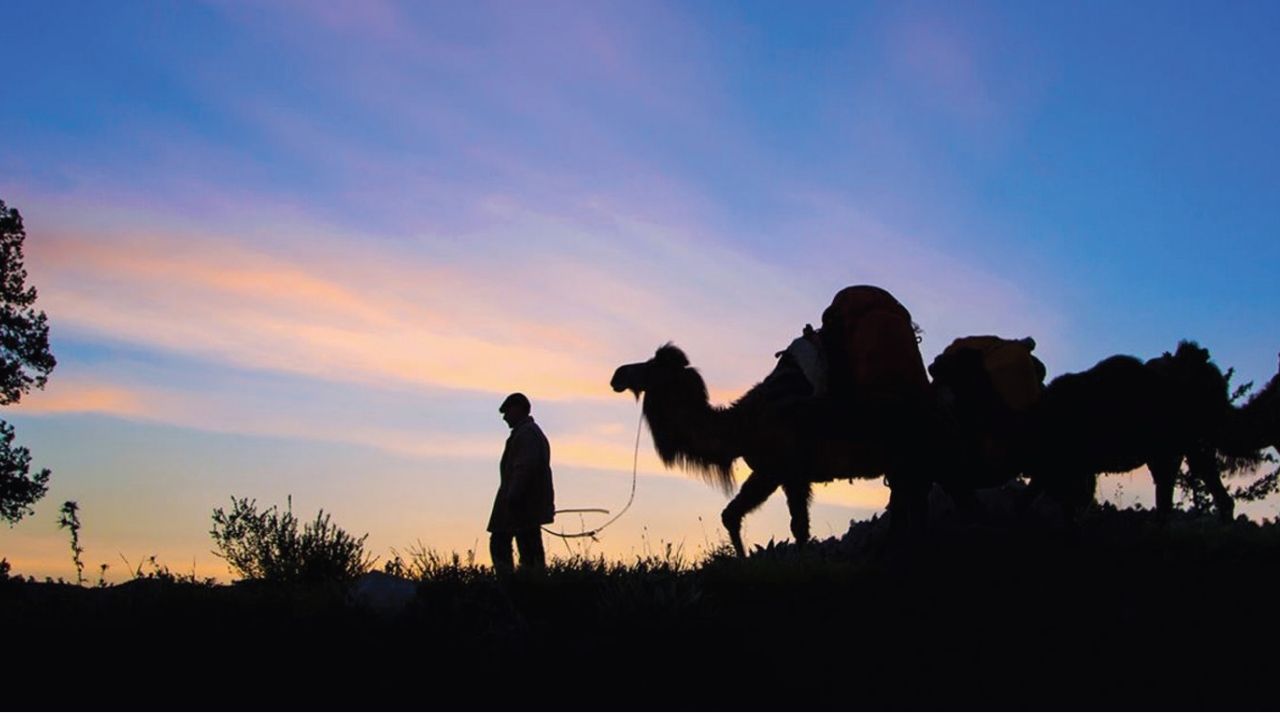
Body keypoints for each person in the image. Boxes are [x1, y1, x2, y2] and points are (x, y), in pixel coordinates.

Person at [488, 392, 556, 574]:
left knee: (504, 542)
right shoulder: (528, 433)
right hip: (524, 503)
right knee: (528, 544)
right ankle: (531, 581)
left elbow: (524, 467)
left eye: (506, 411)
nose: (504, 417)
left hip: (520, 503)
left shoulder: (526, 434)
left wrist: (513, 496)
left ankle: (515, 585)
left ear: (518, 409)